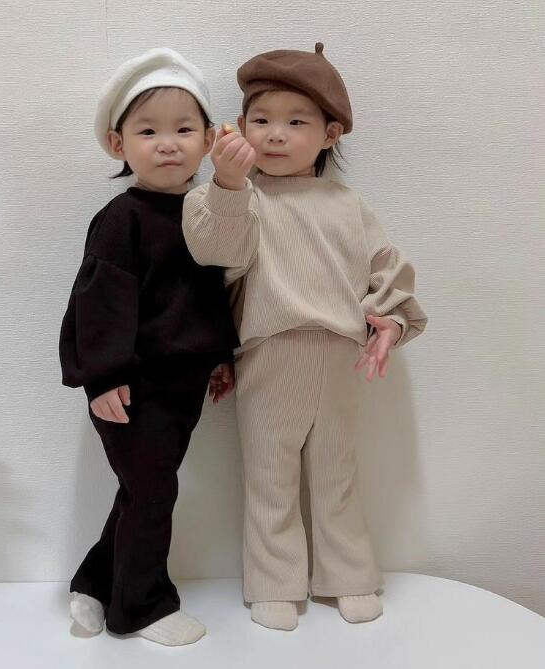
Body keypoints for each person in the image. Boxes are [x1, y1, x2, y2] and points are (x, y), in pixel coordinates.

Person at [182, 42, 428, 631]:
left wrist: (391, 321)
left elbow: (387, 269)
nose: (276, 134)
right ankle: (275, 582)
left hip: (341, 354)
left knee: (337, 470)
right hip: (270, 351)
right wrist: (228, 183)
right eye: (261, 120)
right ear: (239, 127)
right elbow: (214, 252)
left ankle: (349, 575)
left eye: (297, 122)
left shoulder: (347, 204)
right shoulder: (237, 199)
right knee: (269, 474)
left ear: (330, 133)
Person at [59, 48, 239, 646]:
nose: (167, 144)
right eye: (148, 131)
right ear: (118, 144)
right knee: (155, 491)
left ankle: (93, 584)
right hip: (131, 388)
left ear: (209, 140)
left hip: (182, 386)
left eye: (184, 130)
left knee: (141, 489)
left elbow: (208, 293)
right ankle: (140, 607)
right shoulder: (122, 219)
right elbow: (97, 304)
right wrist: (102, 376)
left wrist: (219, 356)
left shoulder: (203, 215)